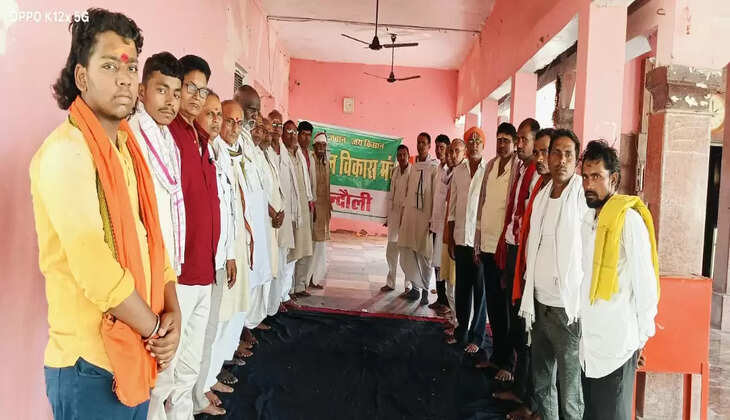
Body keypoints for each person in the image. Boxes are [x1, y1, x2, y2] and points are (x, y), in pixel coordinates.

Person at [33, 9, 179, 418]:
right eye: (110, 66)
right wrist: (156, 329)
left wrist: (174, 313)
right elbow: (94, 267)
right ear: (82, 77)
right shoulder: (67, 152)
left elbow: (153, 242)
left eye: (131, 67)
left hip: (134, 353)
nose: (125, 79)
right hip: (89, 366)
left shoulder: (127, 153)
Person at [154, 53, 220, 420]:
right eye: (190, 87)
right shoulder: (170, 135)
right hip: (178, 275)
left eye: (202, 90)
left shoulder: (200, 138)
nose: (196, 96)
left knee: (189, 366)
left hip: (204, 271)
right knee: (166, 370)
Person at [580, 140, 659, 420]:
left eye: (596, 177)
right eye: (585, 177)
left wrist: (639, 339)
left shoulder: (629, 221)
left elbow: (646, 287)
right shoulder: (588, 220)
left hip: (617, 346)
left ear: (613, 179)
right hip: (589, 347)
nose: (589, 184)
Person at [519, 129, 586, 420]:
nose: (561, 160)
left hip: (566, 310)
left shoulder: (582, 196)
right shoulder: (543, 195)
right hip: (538, 304)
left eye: (568, 154)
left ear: (577, 160)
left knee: (570, 393)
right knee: (543, 384)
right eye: (556, 152)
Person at [496, 128, 554, 418]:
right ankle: (523, 393)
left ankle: (533, 405)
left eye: (546, 152)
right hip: (524, 262)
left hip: (547, 282)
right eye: (539, 152)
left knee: (535, 342)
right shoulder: (538, 181)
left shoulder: (559, 189)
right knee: (522, 331)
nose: (542, 158)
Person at [191, 92, 237, 416]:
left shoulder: (218, 151)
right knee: (194, 339)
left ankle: (199, 392)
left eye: (218, 114)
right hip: (198, 262)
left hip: (218, 259)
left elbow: (227, 209)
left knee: (207, 334)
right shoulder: (195, 151)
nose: (217, 121)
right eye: (211, 114)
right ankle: (193, 398)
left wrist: (230, 253)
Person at [128, 52, 185, 276]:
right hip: (141, 258)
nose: (170, 102)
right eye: (162, 90)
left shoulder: (168, 139)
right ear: (142, 92)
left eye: (176, 94)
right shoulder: (130, 134)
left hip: (165, 256)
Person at [472, 122, 519, 377]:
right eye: (499, 140)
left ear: (514, 143)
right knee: (492, 305)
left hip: (505, 249)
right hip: (487, 247)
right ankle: (496, 357)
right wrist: (477, 244)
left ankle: (509, 364)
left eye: (506, 140)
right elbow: (482, 206)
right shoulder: (490, 166)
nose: (501, 144)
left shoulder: (517, 168)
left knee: (505, 309)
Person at [216, 99, 254, 382]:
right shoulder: (215, 152)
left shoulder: (234, 152)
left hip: (237, 240)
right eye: (230, 121)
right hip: (221, 248)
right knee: (219, 313)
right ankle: (210, 376)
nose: (234, 127)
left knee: (232, 308)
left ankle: (223, 360)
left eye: (239, 123)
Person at [233, 86, 272, 336]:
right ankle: (238, 335)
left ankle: (246, 327)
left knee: (254, 279)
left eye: (256, 110)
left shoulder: (250, 142)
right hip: (241, 227)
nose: (254, 115)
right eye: (250, 109)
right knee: (239, 287)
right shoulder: (234, 139)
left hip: (258, 223)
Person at [447, 127, 488, 353]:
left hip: (480, 242)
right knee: (462, 289)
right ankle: (461, 331)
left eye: (477, 142)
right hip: (461, 238)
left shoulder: (488, 171)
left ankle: (477, 336)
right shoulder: (459, 171)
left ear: (483, 145)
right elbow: (452, 207)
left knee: (480, 291)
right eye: (470, 142)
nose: (473, 145)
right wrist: (451, 238)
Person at [398, 132, 439, 305]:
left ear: (429, 146)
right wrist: (404, 215)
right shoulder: (414, 166)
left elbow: (435, 194)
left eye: (423, 143)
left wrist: (433, 219)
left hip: (425, 217)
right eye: (418, 142)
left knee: (424, 254)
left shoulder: (434, 167)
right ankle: (415, 289)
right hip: (411, 215)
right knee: (410, 251)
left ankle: (425, 291)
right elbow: (409, 192)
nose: (420, 145)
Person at [267, 111, 299, 312]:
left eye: (280, 125)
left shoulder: (285, 152)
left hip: (285, 216)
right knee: (271, 263)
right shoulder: (265, 150)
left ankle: (279, 298)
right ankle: (270, 305)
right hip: (269, 216)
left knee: (283, 259)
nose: (277, 128)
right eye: (275, 124)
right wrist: (271, 211)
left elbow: (291, 186)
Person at [381, 144, 411, 293]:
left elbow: (410, 196)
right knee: (391, 251)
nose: (402, 157)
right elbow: (390, 195)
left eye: (404, 155)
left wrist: (404, 216)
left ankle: (408, 286)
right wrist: (388, 216)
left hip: (406, 216)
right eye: (399, 155)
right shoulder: (395, 171)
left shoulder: (412, 172)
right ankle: (391, 282)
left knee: (406, 253)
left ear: (408, 156)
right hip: (394, 215)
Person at [291, 121, 316, 297]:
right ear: (298, 135)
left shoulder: (310, 155)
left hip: (308, 206)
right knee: (296, 248)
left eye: (309, 135)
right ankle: (290, 288)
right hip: (296, 207)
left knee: (306, 247)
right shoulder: (294, 153)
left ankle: (300, 285)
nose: (306, 138)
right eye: (303, 134)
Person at [428, 134, 451, 312]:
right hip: (436, 223)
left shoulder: (452, 171)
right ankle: (440, 298)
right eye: (437, 147)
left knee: (443, 263)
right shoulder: (439, 169)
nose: (438, 151)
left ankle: (447, 302)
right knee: (436, 263)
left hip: (446, 226)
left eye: (441, 147)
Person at [308, 132, 333, 289]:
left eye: (324, 145)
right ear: (314, 146)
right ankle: (306, 279)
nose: (321, 148)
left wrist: (328, 206)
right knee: (311, 245)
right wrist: (313, 205)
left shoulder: (326, 162)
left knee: (320, 246)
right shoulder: (310, 161)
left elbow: (327, 186)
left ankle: (314, 278)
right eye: (319, 145)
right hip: (313, 209)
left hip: (324, 210)